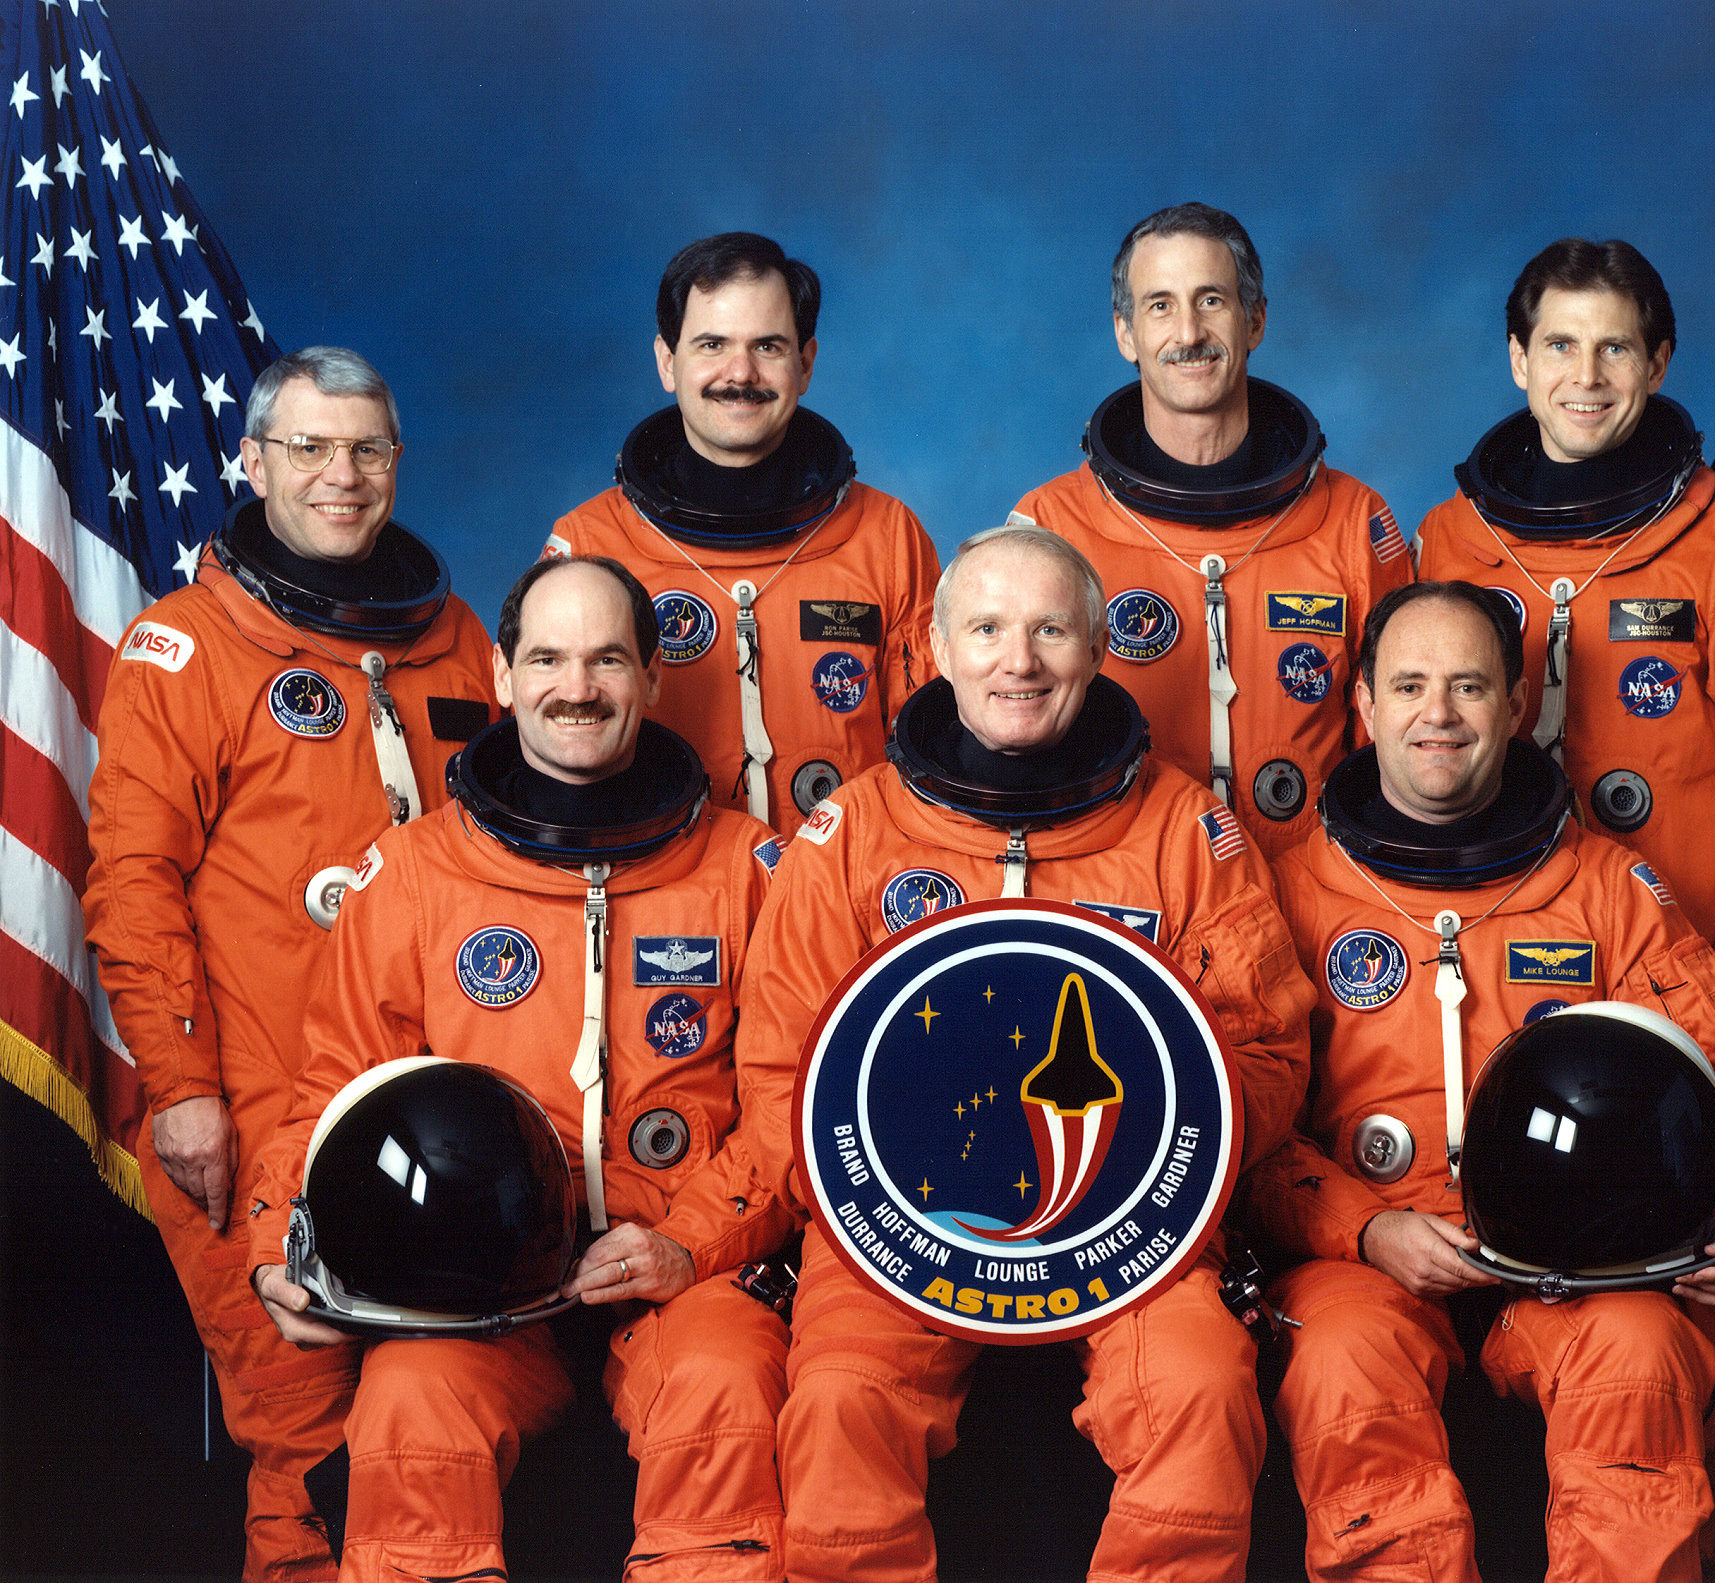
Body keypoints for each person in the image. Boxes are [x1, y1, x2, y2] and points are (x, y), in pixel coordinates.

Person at [730, 524, 1315, 1581]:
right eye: (988, 629)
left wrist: (1154, 1149)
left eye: (1050, 630)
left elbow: (1269, 1054)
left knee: (1198, 1385)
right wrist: (882, 1198)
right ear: (936, 649)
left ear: (1098, 649)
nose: (1019, 661)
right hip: (892, 1229)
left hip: (1136, 1226)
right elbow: (781, 1075)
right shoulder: (851, 832)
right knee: (840, 1399)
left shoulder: (1185, 828)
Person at [246, 557, 796, 1580]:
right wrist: (283, 1240)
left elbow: (790, 1106)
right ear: (502, 673)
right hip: (472, 1275)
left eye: (606, 659)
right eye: (546, 658)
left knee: (725, 1384)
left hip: (681, 1265)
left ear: (653, 677)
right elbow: (335, 1091)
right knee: (410, 1404)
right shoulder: (415, 872)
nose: (574, 687)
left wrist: (687, 1242)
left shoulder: (748, 867)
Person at [1246, 581, 1715, 1582]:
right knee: (1343, 1364)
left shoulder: (1607, 888)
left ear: (1516, 704)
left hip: (1580, 1258)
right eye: (1408, 685)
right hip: (1367, 1252)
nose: (1438, 713)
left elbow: (1709, 1083)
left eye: (1468, 685)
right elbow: (1244, 1124)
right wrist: (1366, 1229)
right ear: (1363, 705)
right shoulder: (1285, 891)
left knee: (1641, 1350)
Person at [83, 348, 496, 1581]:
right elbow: (133, 883)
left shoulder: (455, 638)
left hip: (431, 1099)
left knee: (435, 1417)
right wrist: (184, 1090)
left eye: (365, 448)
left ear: (396, 463)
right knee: (309, 1428)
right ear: (254, 461)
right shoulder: (185, 647)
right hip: (259, 1102)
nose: (340, 474)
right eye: (309, 448)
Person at [1417, 238, 1715, 1098]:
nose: (1586, 376)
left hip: (1696, 977)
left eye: (1614, 347)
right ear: (1519, 360)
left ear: (1657, 363)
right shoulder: (1450, 540)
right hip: (1501, 977)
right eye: (1560, 345)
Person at [1011, 202, 1410, 856]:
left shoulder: (1352, 522)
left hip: (1312, 884)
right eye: (1160, 305)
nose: (1189, 332)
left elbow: (1401, 758)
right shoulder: (1051, 527)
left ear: (1254, 321)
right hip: (1128, 887)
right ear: (1125, 333)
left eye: (1212, 301)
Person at [548, 231, 941, 838]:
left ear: (805, 364)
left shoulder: (886, 538)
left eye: (768, 346)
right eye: (712, 344)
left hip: (845, 879)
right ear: (667, 362)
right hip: (662, 880)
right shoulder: (590, 543)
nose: (741, 373)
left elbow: (933, 751)